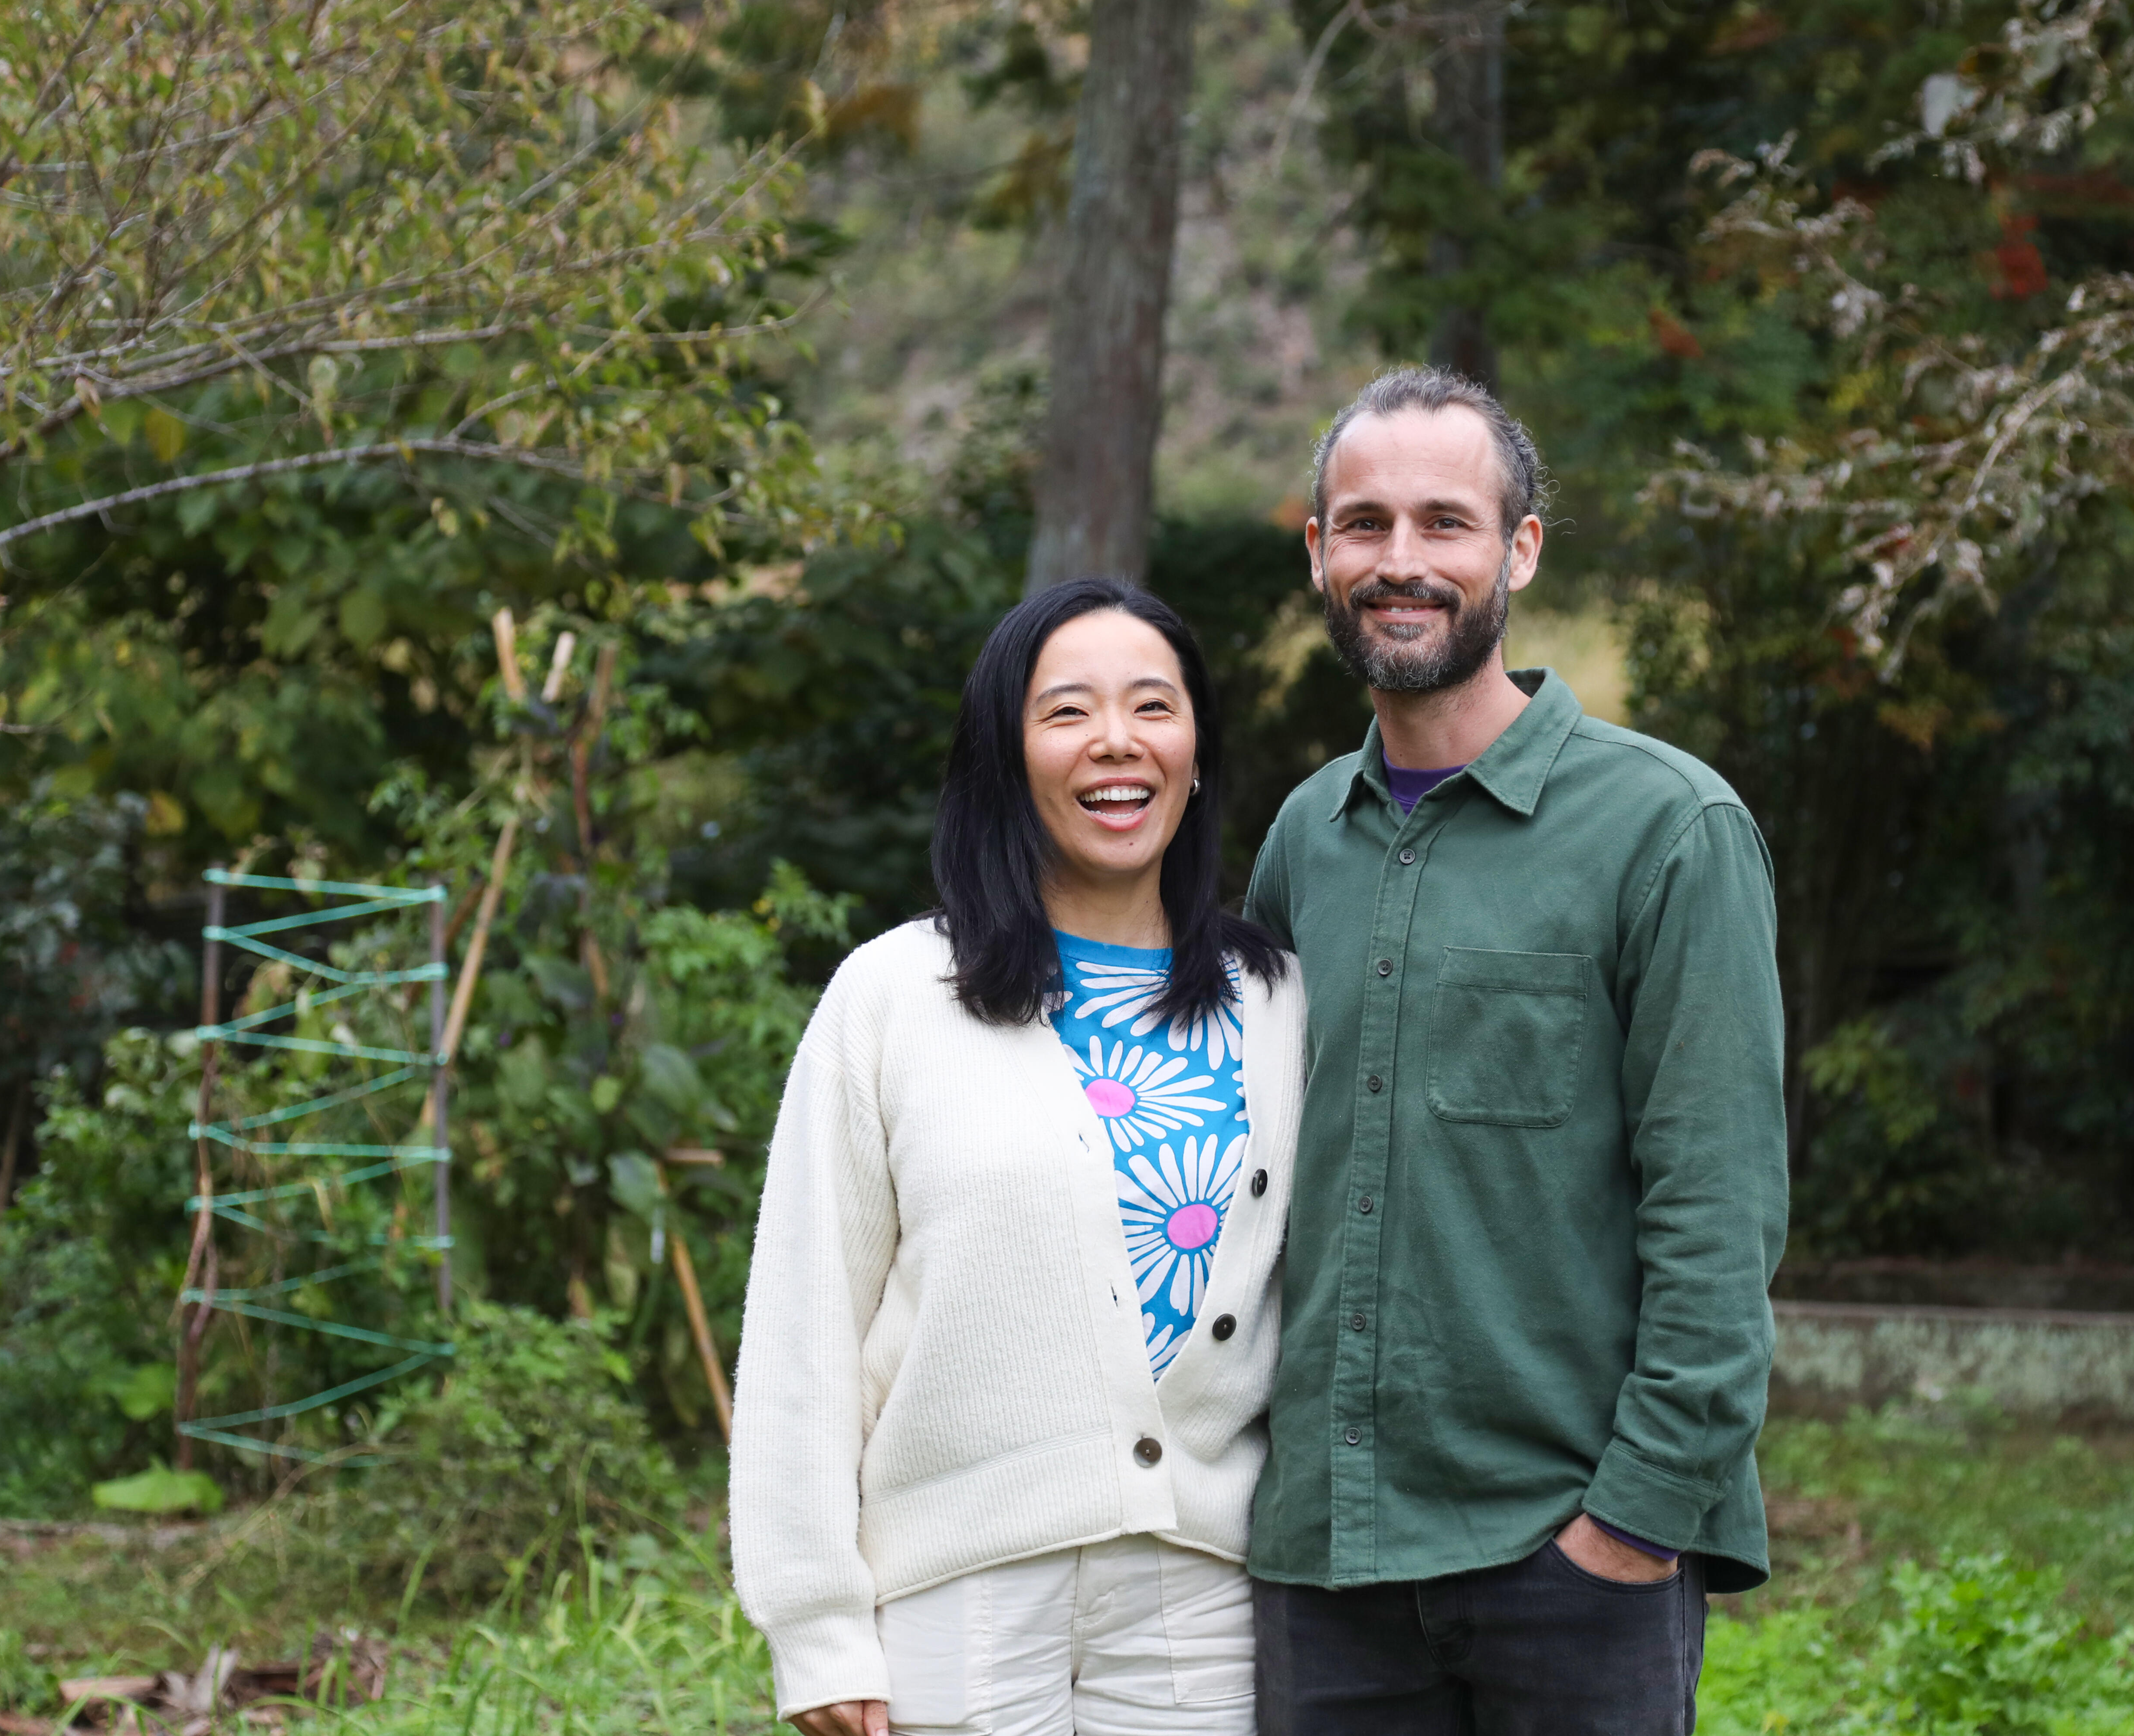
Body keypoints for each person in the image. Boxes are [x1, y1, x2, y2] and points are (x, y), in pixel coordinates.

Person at [1242, 367, 1789, 1736]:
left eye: (1446, 521)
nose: (1401, 561)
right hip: (1328, 1561)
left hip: (1568, 1559)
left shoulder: (1667, 828)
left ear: (1520, 549)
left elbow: (1717, 1210)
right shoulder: (1305, 836)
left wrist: (1631, 1523)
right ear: (1318, 553)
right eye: (1362, 524)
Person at [729, 579, 1305, 1736]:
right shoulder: (892, 996)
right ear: (1007, 755)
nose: (1115, 742)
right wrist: (818, 1622)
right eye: (1066, 712)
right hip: (960, 1584)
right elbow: (807, 1317)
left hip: (1201, 1585)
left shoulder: (1280, 1001)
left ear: (1194, 753)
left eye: (1153, 705)